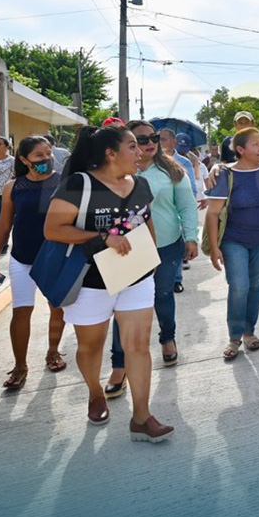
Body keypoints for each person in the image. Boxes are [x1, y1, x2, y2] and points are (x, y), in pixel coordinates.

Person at [44, 125, 174, 443]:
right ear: (110, 153)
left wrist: (152, 262)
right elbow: (52, 229)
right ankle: (94, 393)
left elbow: (147, 221)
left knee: (138, 347)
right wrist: (102, 237)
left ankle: (141, 417)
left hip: (136, 277)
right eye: (133, 146)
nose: (141, 151)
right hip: (90, 281)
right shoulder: (79, 184)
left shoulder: (140, 183)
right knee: (91, 347)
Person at [103, 120, 199, 397]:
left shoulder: (172, 170)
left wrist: (190, 237)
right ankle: (119, 365)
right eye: (141, 140)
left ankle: (167, 339)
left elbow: (187, 206)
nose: (149, 144)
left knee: (162, 296)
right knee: (123, 308)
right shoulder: (113, 172)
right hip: (125, 249)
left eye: (153, 138)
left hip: (166, 245)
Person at [0, 136, 68, 389]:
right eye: (39, 156)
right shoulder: (14, 187)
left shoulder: (64, 183)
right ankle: (20, 366)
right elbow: (4, 225)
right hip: (22, 258)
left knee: (57, 308)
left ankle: (53, 351)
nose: (47, 159)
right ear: (24, 160)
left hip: (54, 258)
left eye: (49, 153)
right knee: (21, 312)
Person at [206, 127, 259, 360]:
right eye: (255, 144)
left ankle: (249, 332)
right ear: (240, 149)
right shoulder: (225, 175)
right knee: (239, 286)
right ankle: (234, 337)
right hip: (234, 240)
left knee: (256, 285)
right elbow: (212, 213)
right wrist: (215, 247)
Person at [159, 128, 199, 287]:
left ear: (173, 142)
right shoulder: (148, 163)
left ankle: (176, 280)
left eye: (163, 139)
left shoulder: (183, 163)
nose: (159, 143)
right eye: (158, 139)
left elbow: (192, 190)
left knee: (175, 245)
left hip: (176, 213)